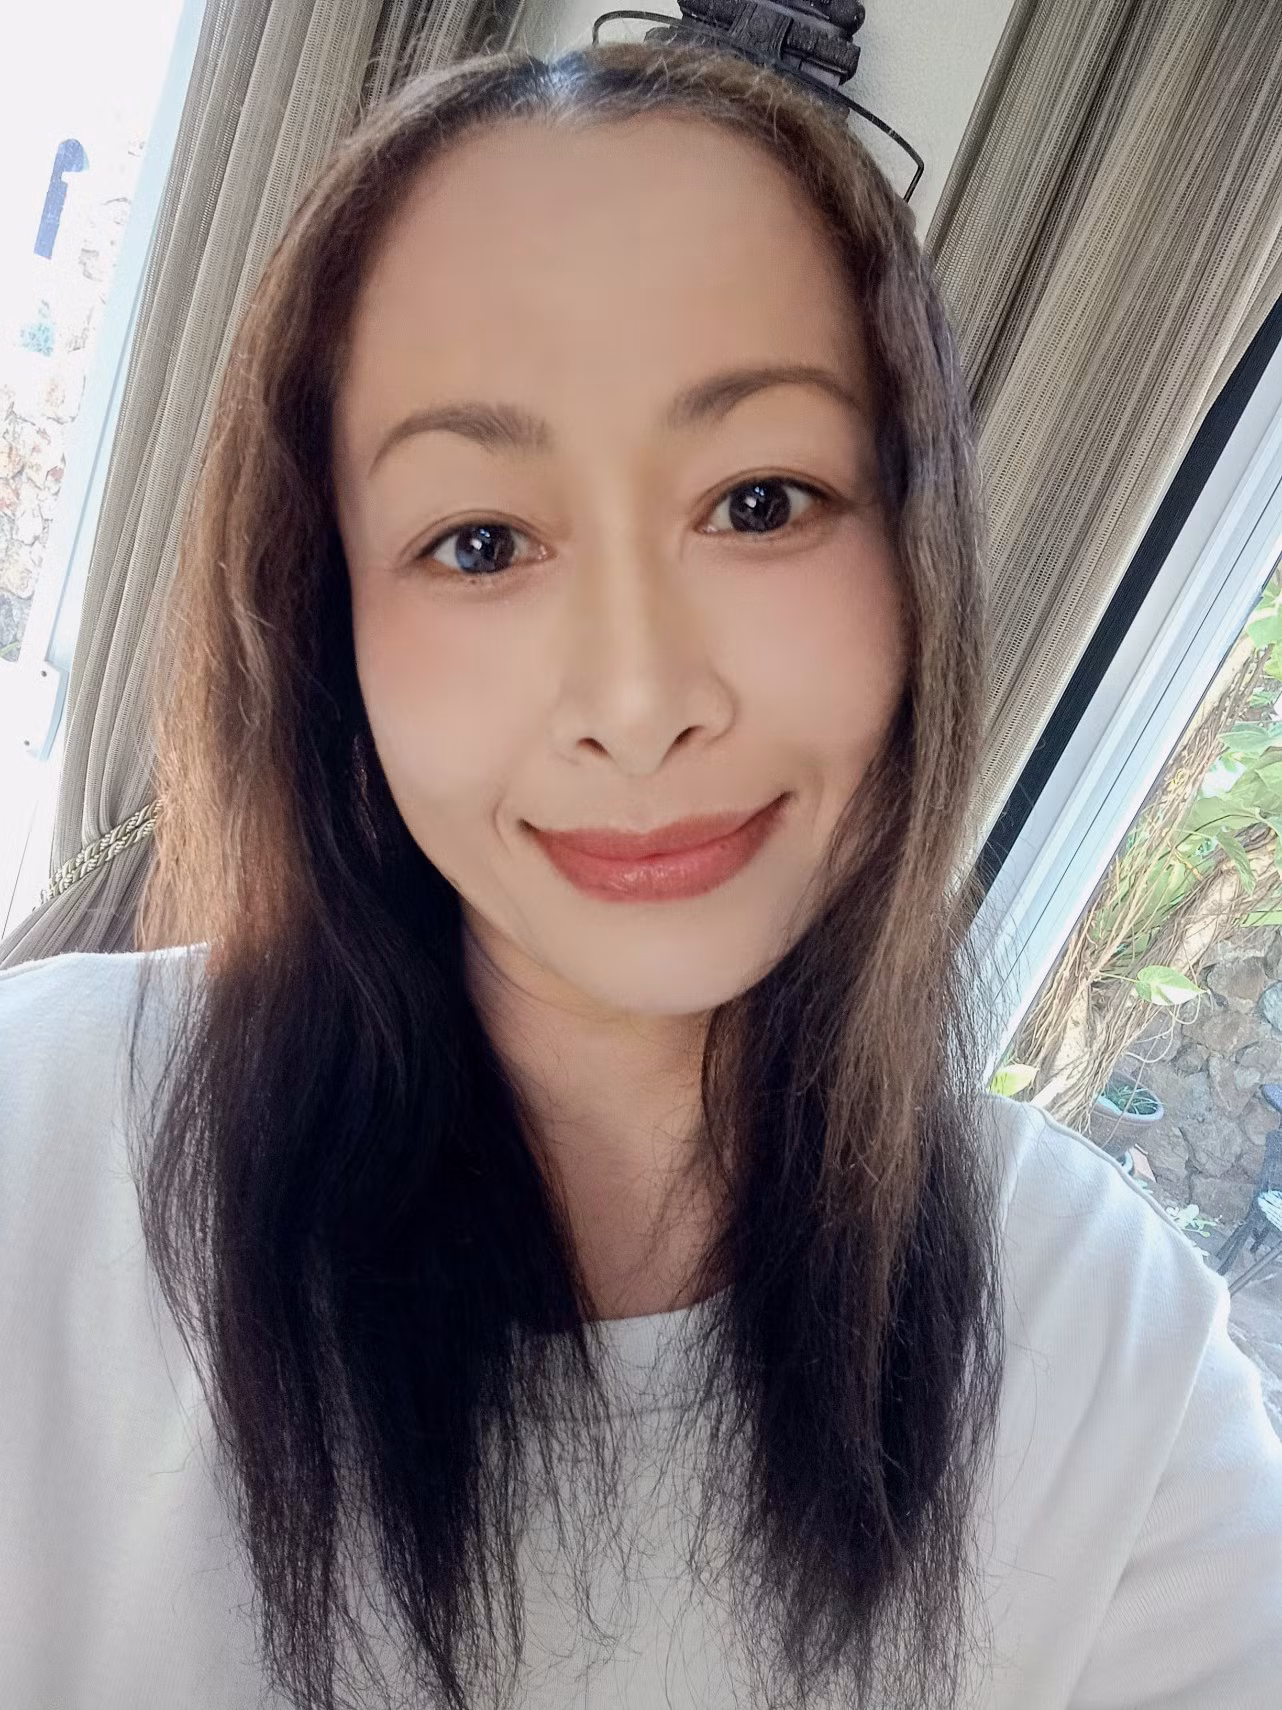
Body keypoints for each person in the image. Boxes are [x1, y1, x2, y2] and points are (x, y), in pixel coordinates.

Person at [1, 38, 1279, 1710]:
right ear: (335, 631)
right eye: (479, 541)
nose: (638, 697)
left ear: (915, 560)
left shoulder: (1111, 1355)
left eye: (759, 502)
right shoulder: (41, 1133)